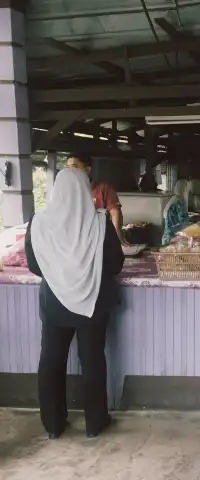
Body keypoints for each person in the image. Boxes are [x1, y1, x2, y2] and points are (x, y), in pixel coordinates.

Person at [25, 169, 124, 439]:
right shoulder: (100, 222)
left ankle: (53, 425)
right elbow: (116, 263)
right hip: (93, 301)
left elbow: (34, 265)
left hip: (55, 302)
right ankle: (95, 423)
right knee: (92, 360)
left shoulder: (39, 222)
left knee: (51, 361)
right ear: (84, 190)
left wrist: (60, 275)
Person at [66, 154, 127, 244]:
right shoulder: (66, 192)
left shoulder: (103, 189)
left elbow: (115, 213)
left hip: (100, 237)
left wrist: (117, 237)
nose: (70, 171)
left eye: (75, 167)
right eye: (68, 167)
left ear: (87, 170)